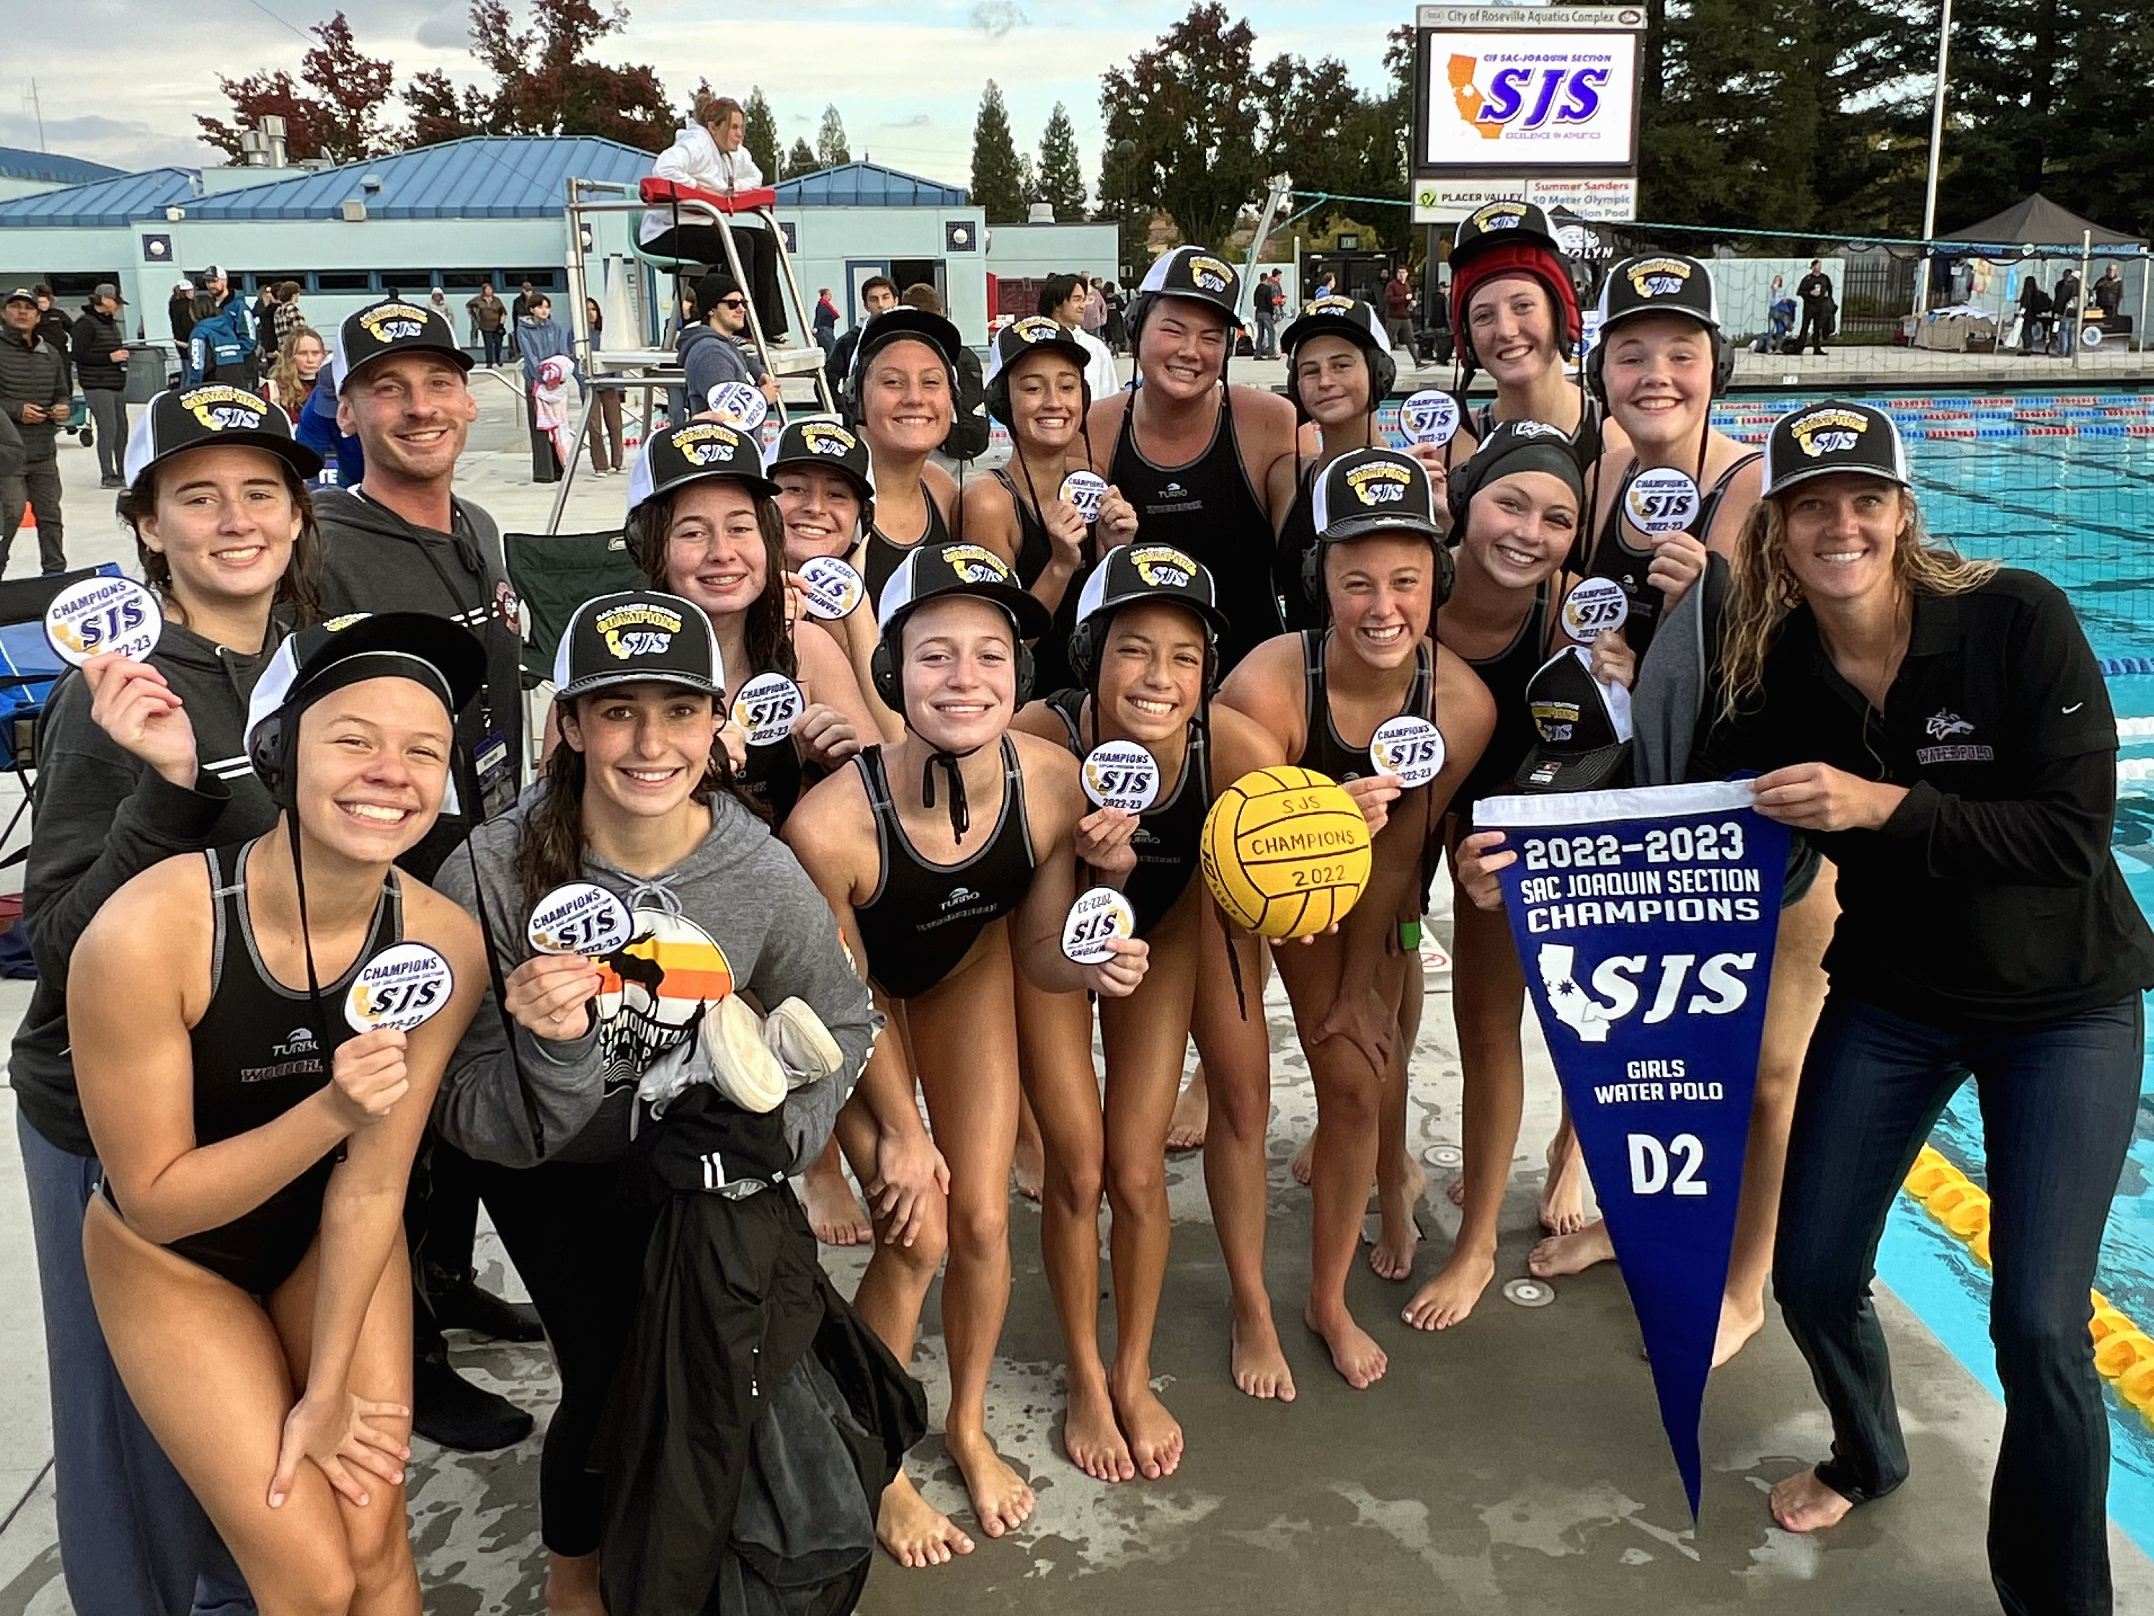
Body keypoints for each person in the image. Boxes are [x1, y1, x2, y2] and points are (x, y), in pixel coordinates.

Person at [1693, 399, 2151, 1616]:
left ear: (1903, 512)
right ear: (1777, 530)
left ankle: (2061, 1600)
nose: (1839, 524)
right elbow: (1699, 827)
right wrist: (1525, 860)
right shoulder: (1775, 668)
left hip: (2065, 1004)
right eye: (1811, 506)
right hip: (1896, 995)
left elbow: (2069, 837)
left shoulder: (2016, 617)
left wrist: (1879, 804)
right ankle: (1868, 1451)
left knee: (2042, 1324)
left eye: (1864, 500)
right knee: (1811, 1269)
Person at [430, 586, 888, 1615]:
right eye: (618, 710)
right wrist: (553, 1053)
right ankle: (575, 1581)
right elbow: (455, 1099)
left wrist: (781, 1139)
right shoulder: (490, 872)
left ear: (719, 722)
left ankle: (710, 1542)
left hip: (698, 1155)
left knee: (734, 1355)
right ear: (568, 724)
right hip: (548, 1169)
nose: (650, 743)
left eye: (680, 710)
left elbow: (847, 1017)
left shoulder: (756, 867)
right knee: (606, 1373)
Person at [73, 612, 487, 1615]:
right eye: (354, 738)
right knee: (310, 1574)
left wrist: (330, 1386)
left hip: (329, 1233)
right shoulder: (150, 932)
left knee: (372, 1534)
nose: (390, 772)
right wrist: (333, 1108)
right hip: (175, 1261)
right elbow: (157, 1199)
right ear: (278, 752)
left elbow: (374, 1185)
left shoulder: (443, 943)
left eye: (422, 750)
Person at [12, 383, 320, 1616]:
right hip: (113, 1115)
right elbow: (56, 942)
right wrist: (170, 792)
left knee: (253, 1426)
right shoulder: (118, 693)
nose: (236, 520)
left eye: (260, 492)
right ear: (148, 524)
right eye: (199, 497)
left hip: (260, 1094)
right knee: (132, 1446)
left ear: (297, 513)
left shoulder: (307, 659)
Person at [782, 543, 1151, 1562]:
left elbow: (1036, 954)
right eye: (935, 655)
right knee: (918, 1231)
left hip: (966, 971)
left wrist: (1094, 962)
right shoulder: (830, 826)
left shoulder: (1053, 782)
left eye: (990, 655)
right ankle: (879, 1458)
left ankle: (968, 1422)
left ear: (1019, 674)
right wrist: (903, 1135)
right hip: (854, 1015)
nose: (964, 679)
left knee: (985, 1220)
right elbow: (841, 1004)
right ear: (892, 672)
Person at [1213, 450, 1494, 1390]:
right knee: (1247, 1095)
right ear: (1319, 583)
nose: (1383, 607)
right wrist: (1318, 820)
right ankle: (1250, 1304)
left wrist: (1355, 991)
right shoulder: (1268, 685)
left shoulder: (1460, 704)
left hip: (1359, 894)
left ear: (1436, 582)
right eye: (1357, 582)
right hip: (1236, 887)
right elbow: (1248, 867)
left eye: (1406, 581)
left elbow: (1402, 861)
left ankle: (1324, 1300)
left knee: (1358, 1079)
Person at [318, 296, 543, 1451]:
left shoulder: (480, 527)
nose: (420, 407)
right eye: (388, 386)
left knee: (455, 1102)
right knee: (389, 1121)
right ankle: (403, 1352)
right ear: (347, 406)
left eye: (438, 382)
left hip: (479, 865)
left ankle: (447, 1285)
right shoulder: (318, 542)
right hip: (380, 888)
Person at [1010, 546, 1284, 1466]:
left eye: (1184, 657)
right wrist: (1087, 862)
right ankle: (1085, 1377)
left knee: (1134, 1169)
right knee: (1077, 1168)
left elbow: (1282, 885)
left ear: (1208, 673)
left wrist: (1328, 856)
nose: (1158, 677)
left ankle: (1131, 1370)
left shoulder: (1235, 751)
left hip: (1157, 935)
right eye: (1133, 649)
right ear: (1091, 655)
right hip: (1049, 945)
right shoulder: (1041, 737)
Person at [1409, 422, 1638, 1332]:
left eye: (1557, 518)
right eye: (1510, 504)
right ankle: (1468, 1234)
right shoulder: (1415, 593)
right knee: (1481, 1025)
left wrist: (1625, 682)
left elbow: (1634, 757)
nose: (1528, 533)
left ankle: (1566, 1154)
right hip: (1436, 807)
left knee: (1581, 1010)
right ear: (1466, 504)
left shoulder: (1580, 612)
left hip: (1532, 830)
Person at [1092, 245, 1300, 672]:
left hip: (1255, 678)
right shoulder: (1096, 428)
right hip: (1140, 681)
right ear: (1136, 328)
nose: (1191, 351)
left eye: (1211, 337)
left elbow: (1312, 542)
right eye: (1173, 330)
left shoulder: (1269, 421)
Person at [1576, 252, 1757, 659]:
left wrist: (1715, 604)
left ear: (1718, 369)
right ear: (1599, 375)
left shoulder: (1761, 491)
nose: (1656, 376)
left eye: (1681, 357)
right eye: (1631, 358)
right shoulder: (1603, 476)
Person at [965, 316, 1138, 696]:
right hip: (1026, 708)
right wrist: (1060, 564)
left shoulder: (1090, 479)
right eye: (1032, 388)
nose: (1054, 402)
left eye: (1067, 386)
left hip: (1094, 700)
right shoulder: (989, 501)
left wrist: (1115, 551)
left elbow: (1104, 620)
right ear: (1002, 402)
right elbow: (999, 646)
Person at [1444, 202, 1616, 466]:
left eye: (1523, 306)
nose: (1506, 331)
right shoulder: (1450, 453)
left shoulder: (1621, 441)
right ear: (1466, 336)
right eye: (1483, 316)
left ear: (1562, 313)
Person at [768, 414, 902, 747]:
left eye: (837, 495)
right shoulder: (727, 594)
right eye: (795, 489)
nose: (815, 507)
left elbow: (893, 740)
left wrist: (855, 601)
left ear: (862, 518)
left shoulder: (884, 596)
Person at [642, 91, 789, 344]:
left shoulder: (735, 154)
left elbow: (755, 177)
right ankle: (737, 326)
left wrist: (727, 190)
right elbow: (664, 169)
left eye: (741, 127)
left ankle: (767, 327)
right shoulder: (695, 144)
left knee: (764, 240)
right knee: (740, 242)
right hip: (666, 232)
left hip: (703, 226)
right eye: (734, 127)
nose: (740, 134)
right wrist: (698, 188)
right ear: (713, 127)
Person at [848, 306, 962, 606]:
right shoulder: (828, 498)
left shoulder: (941, 488)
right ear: (856, 398)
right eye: (892, 382)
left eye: (931, 382)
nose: (914, 398)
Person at [0, 286, 69, 574]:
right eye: (15, 306)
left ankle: (54, 574)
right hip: (7, 454)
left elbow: (62, 391)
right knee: (10, 515)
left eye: (28, 308)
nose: (22, 312)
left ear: (38, 316)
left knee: (50, 516)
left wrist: (63, 406)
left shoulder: (49, 352)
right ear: (3, 313)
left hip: (43, 451)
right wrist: (17, 410)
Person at [900, 283, 988, 462]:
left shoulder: (909, 353)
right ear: (940, 311)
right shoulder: (963, 353)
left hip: (928, 441)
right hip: (959, 444)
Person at [678, 270, 780, 423]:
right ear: (711, 309)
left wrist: (759, 373)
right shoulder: (711, 355)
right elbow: (726, 416)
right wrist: (764, 397)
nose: (741, 309)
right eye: (732, 304)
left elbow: (742, 358)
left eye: (743, 303)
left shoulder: (723, 344)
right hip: (726, 438)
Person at [74, 283, 132, 490]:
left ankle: (124, 471)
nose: (118, 306)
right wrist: (109, 357)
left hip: (114, 383)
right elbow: (79, 355)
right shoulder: (85, 324)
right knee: (108, 429)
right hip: (96, 384)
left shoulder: (110, 324)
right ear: (105, 300)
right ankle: (108, 474)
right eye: (116, 302)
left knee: (121, 430)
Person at [518, 294, 576, 484]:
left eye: (547, 307)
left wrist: (558, 374)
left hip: (556, 383)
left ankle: (560, 468)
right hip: (536, 384)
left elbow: (562, 354)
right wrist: (542, 376)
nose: (544, 311)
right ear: (532, 309)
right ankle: (544, 472)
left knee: (557, 426)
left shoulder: (555, 328)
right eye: (540, 307)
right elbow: (530, 357)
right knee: (540, 427)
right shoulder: (523, 329)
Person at [1037, 272, 1119, 404]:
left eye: (1083, 299)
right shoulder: (1034, 344)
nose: (1083, 306)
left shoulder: (1095, 348)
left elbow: (1110, 397)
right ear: (1057, 304)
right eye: (1076, 299)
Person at [827, 275, 898, 406]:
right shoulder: (850, 341)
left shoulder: (910, 337)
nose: (881, 304)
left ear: (896, 301)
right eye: (874, 299)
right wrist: (846, 411)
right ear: (866, 305)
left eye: (886, 297)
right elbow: (827, 381)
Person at [580, 297, 625, 477]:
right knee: (595, 427)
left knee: (615, 425)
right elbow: (574, 360)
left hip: (609, 383)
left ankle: (618, 462)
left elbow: (615, 359)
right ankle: (600, 465)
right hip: (590, 385)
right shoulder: (576, 335)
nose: (591, 313)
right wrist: (583, 381)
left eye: (593, 309)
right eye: (587, 310)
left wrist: (620, 386)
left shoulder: (605, 333)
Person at [269, 326, 329, 422]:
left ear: (323, 355)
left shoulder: (333, 386)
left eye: (315, 353)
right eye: (303, 353)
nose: (310, 360)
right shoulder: (274, 389)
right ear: (290, 356)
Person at [1796, 259, 1834, 355]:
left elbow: (1829, 290)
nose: (1819, 267)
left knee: (1818, 327)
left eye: (1820, 265)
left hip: (1820, 306)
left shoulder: (1824, 278)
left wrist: (1828, 300)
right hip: (1809, 306)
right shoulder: (1807, 279)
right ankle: (1799, 347)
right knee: (1805, 326)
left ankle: (1817, 348)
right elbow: (1800, 292)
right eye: (1817, 265)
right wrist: (1810, 293)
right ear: (1813, 266)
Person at [467, 284, 509, 368]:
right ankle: (489, 362)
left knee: (498, 342)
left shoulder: (497, 300)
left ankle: (498, 359)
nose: (489, 291)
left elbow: (503, 312)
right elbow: (469, 305)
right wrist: (474, 316)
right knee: (488, 344)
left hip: (497, 325)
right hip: (485, 325)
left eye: (490, 289)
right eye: (487, 289)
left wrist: (501, 324)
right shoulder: (478, 300)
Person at [1382, 265, 1416, 355]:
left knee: (1410, 339)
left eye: (1403, 273)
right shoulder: (1392, 285)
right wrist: (1404, 298)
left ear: (1407, 274)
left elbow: (1409, 298)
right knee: (1390, 340)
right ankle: (1383, 358)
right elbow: (1389, 299)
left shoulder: (1407, 285)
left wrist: (1412, 303)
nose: (1401, 275)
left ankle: (1417, 360)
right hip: (1394, 317)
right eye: (1399, 273)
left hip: (1406, 316)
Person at [1252, 270, 1283, 360]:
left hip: (1258, 313)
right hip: (1266, 312)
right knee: (1271, 331)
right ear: (1266, 279)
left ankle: (1257, 353)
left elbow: (1255, 303)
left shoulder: (1257, 289)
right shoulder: (1267, 289)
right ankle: (1271, 352)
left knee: (1260, 333)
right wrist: (1272, 312)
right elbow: (1269, 302)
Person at [2054, 268, 2082, 358]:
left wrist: (2057, 311)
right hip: (2076, 311)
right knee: (2072, 332)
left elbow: (2059, 300)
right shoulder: (2079, 285)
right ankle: (2070, 352)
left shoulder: (2064, 286)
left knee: (2063, 331)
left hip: (2065, 311)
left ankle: (2063, 350)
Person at [815, 286, 840, 354]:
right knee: (832, 349)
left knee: (829, 350)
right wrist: (816, 327)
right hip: (825, 330)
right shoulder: (823, 305)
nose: (831, 296)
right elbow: (819, 317)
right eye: (829, 294)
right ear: (825, 295)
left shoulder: (825, 305)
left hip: (826, 329)